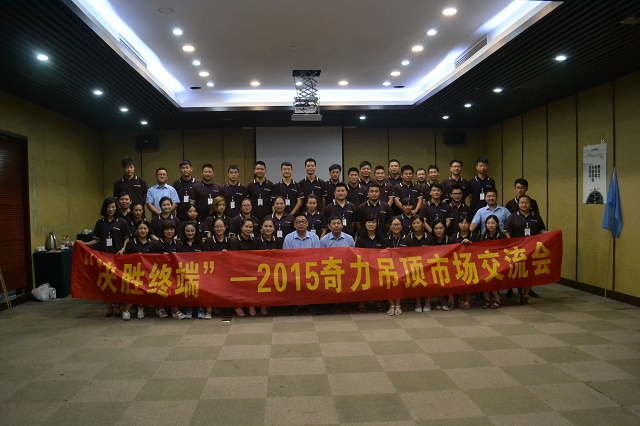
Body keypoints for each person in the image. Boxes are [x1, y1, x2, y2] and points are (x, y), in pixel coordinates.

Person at [79, 197, 131, 318]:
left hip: (117, 256)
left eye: (113, 207)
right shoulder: (100, 223)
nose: (111, 209)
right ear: (105, 208)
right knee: (107, 283)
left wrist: (123, 249)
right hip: (104, 257)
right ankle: (109, 307)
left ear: (116, 208)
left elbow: (127, 238)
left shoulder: (121, 222)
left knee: (117, 283)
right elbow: (96, 240)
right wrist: (84, 244)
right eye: (108, 207)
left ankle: (117, 306)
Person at [503, 195, 546, 303]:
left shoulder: (536, 216)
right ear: (518, 204)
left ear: (530, 204)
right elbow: (507, 231)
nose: (524, 205)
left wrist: (552, 234)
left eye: (526, 202)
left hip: (532, 249)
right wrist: (511, 244)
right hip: (517, 249)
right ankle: (519, 294)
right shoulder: (513, 217)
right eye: (522, 202)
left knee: (529, 271)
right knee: (519, 271)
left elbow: (541, 231)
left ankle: (526, 294)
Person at [149, 220, 185, 319]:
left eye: (172, 229)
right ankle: (159, 308)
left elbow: (183, 258)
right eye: (167, 229)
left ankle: (175, 309)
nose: (169, 231)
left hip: (174, 273)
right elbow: (149, 259)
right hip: (160, 273)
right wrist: (161, 257)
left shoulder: (178, 244)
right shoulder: (156, 244)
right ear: (162, 231)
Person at [399, 215, 434, 313]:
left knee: (429, 280)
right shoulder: (407, 238)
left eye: (418, 223)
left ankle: (428, 302)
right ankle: (418, 302)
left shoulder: (429, 238)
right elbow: (403, 253)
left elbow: (434, 252)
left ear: (423, 224)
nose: (416, 225)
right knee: (416, 281)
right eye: (414, 223)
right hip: (412, 266)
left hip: (427, 265)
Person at [120, 219, 152, 320]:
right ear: (136, 230)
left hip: (148, 273)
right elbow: (126, 259)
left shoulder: (153, 243)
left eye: (145, 229)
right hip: (134, 273)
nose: (143, 231)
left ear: (148, 230)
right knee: (134, 289)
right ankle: (127, 310)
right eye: (140, 229)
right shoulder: (130, 243)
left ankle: (140, 307)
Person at [201, 218, 231, 319]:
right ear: (213, 229)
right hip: (211, 271)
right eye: (217, 227)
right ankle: (208, 311)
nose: (219, 229)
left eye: (221, 226)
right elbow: (205, 257)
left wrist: (228, 254)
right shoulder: (208, 241)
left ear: (225, 228)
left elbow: (234, 257)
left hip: (226, 271)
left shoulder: (230, 241)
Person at [355, 214, 386, 312]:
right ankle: (361, 302)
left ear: (377, 224)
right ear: (365, 224)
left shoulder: (381, 239)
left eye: (373, 222)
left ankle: (378, 301)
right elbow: (357, 253)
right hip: (364, 266)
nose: (371, 224)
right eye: (369, 222)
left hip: (378, 266)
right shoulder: (360, 239)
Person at [252, 218, 282, 315]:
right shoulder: (256, 241)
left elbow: (282, 256)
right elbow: (253, 256)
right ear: (261, 228)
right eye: (265, 226)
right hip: (260, 270)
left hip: (275, 268)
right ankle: (263, 305)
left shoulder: (278, 240)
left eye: (270, 226)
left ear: (274, 228)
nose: (268, 229)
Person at [229, 218, 257, 316]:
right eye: (246, 227)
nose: (248, 229)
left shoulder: (254, 241)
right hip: (238, 269)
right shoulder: (234, 241)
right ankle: (237, 306)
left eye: (251, 227)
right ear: (241, 227)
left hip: (251, 269)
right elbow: (234, 257)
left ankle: (251, 304)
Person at [480, 215, 508, 309]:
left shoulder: (502, 236)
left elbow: (505, 250)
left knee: (490, 275)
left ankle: (497, 299)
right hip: (486, 262)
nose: (490, 225)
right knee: (482, 274)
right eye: (488, 223)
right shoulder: (483, 236)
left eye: (492, 223)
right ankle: (487, 298)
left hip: (499, 263)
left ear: (497, 224)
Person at [176, 221, 203, 319]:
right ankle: (189, 307)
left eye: (192, 231)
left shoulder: (201, 244)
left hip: (199, 272)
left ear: (196, 231)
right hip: (185, 272)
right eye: (187, 231)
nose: (190, 233)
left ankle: (201, 308)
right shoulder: (180, 244)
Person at [452, 214, 477, 309]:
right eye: (461, 223)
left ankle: (468, 299)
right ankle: (462, 299)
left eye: (466, 223)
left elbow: (478, 249)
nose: (464, 225)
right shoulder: (454, 236)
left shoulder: (474, 236)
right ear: (458, 224)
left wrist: (470, 244)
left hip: (471, 263)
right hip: (457, 263)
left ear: (469, 224)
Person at [431, 219, 456, 311]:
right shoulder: (431, 239)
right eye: (436, 228)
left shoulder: (450, 240)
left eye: (441, 228)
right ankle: (440, 298)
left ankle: (451, 299)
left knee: (448, 273)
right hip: (433, 265)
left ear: (445, 228)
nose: (438, 230)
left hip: (448, 265)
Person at [385, 216, 405, 316]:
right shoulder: (386, 240)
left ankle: (398, 305)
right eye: (394, 225)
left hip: (403, 267)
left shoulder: (407, 239)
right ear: (390, 226)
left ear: (402, 226)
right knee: (389, 283)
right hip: (389, 267)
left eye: (398, 225)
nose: (396, 227)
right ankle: (391, 305)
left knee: (398, 284)